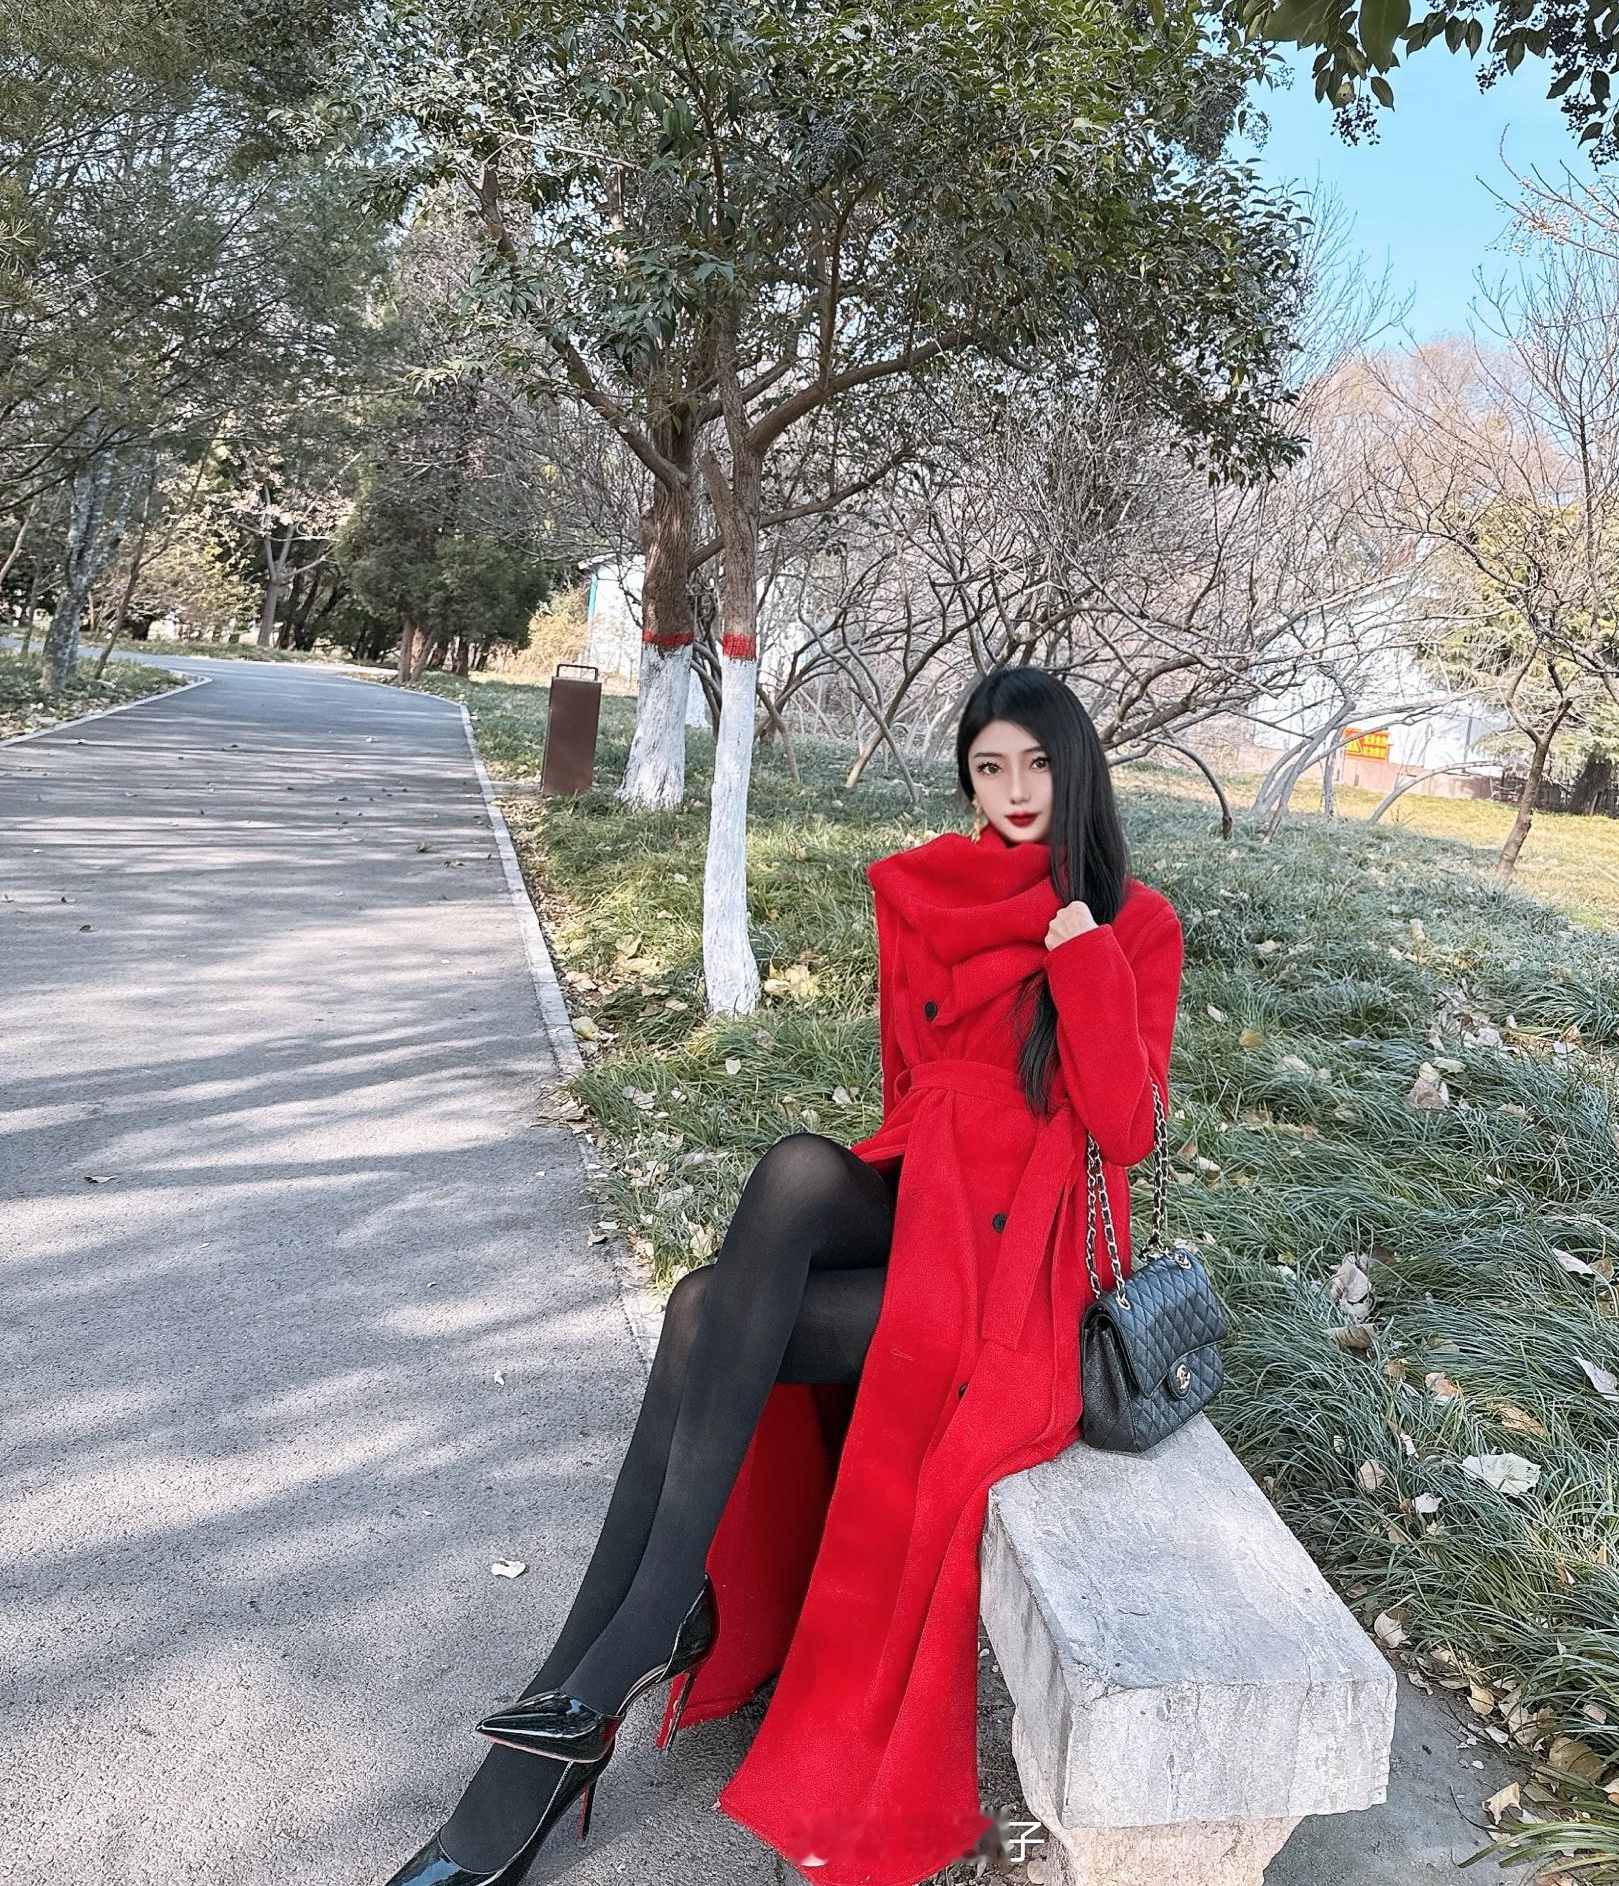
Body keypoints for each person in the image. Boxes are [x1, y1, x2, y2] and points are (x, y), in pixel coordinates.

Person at [384, 664, 1184, 1886]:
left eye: (1037, 764)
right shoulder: (924, 893)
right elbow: (906, 1092)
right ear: (968, 778)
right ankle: (630, 1640)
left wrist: (1083, 960)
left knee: (705, 1311)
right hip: (922, 1200)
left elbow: (1126, 1131)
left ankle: (573, 1712)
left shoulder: (1135, 922)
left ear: (1077, 768)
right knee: (773, 1208)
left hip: (1018, 1266)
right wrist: (913, 1195)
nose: (1016, 791)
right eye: (990, 767)